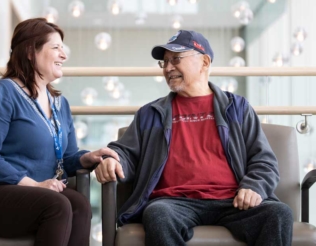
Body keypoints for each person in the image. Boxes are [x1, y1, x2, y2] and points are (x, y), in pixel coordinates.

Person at [95, 30, 293, 246]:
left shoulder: (237, 108)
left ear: (205, 62)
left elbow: (263, 160)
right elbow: (125, 153)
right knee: (158, 214)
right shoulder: (150, 113)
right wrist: (114, 160)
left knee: (278, 213)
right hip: (173, 203)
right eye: (165, 62)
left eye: (176, 59)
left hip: (233, 201)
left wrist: (254, 186)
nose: (168, 68)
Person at [0, 18, 119, 246]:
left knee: (79, 205)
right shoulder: (3, 93)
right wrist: (35, 185)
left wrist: (86, 158)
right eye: (56, 47)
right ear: (30, 51)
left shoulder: (61, 104)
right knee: (56, 205)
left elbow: (65, 160)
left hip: (33, 194)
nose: (64, 55)